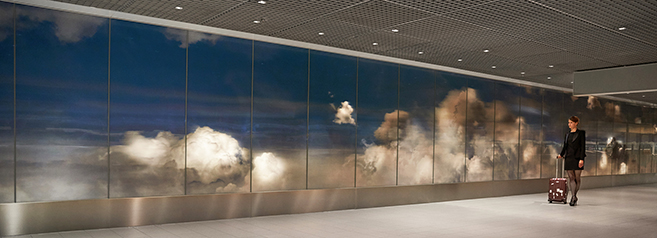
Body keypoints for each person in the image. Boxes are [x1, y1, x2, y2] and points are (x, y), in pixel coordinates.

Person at [557, 116, 586, 206]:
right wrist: (561, 155)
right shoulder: (567, 134)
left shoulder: (581, 133)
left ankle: (574, 195)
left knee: (577, 178)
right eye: (569, 122)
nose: (569, 124)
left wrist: (581, 159)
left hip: (577, 158)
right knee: (571, 178)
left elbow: (582, 147)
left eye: (571, 123)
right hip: (569, 158)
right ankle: (573, 197)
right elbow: (565, 146)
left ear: (576, 123)